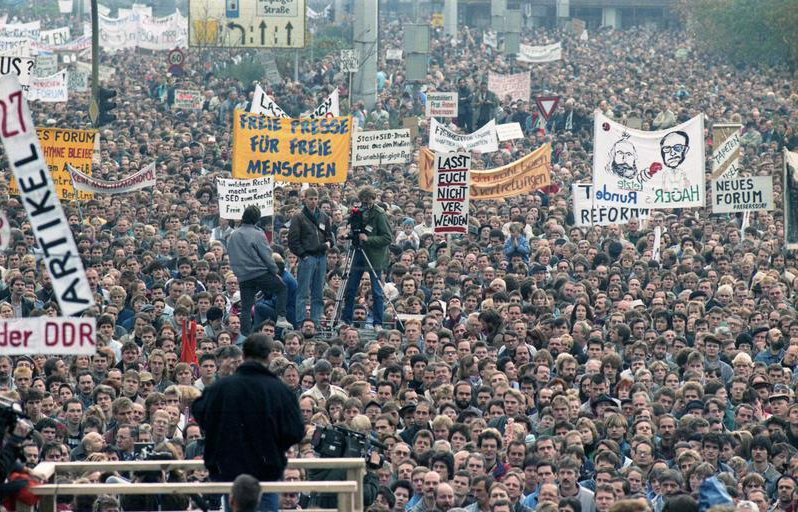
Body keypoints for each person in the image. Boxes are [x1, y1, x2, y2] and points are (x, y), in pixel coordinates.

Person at [192, 334, 304, 512]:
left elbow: (199, 410)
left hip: (229, 469)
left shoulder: (222, 387)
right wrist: (275, 443)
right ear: (269, 356)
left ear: (243, 356)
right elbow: (296, 431)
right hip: (267, 470)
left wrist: (220, 433)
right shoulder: (279, 389)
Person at [227, 205, 292, 334]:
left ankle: (245, 334)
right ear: (256, 219)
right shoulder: (257, 233)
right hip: (259, 273)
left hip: (243, 276)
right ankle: (281, 317)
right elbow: (267, 255)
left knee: (246, 308)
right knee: (281, 287)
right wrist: (275, 272)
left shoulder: (232, 235)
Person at [341, 186, 392, 328]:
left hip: (374, 256)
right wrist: (347, 233)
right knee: (351, 287)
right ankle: (346, 320)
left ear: (373, 199)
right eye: (363, 201)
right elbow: (354, 229)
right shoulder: (358, 212)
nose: (366, 204)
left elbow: (387, 238)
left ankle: (378, 322)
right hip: (358, 253)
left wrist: (368, 239)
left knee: (376, 291)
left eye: (368, 201)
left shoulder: (379, 214)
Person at [288, 187, 334, 328]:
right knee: (302, 292)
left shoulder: (324, 217)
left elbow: (329, 236)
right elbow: (293, 241)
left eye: (315, 199)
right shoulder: (298, 217)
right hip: (308, 257)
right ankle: (300, 322)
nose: (313, 202)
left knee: (318, 292)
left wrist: (328, 244)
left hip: (321, 257)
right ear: (305, 199)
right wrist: (303, 255)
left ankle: (316, 323)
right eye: (310, 199)